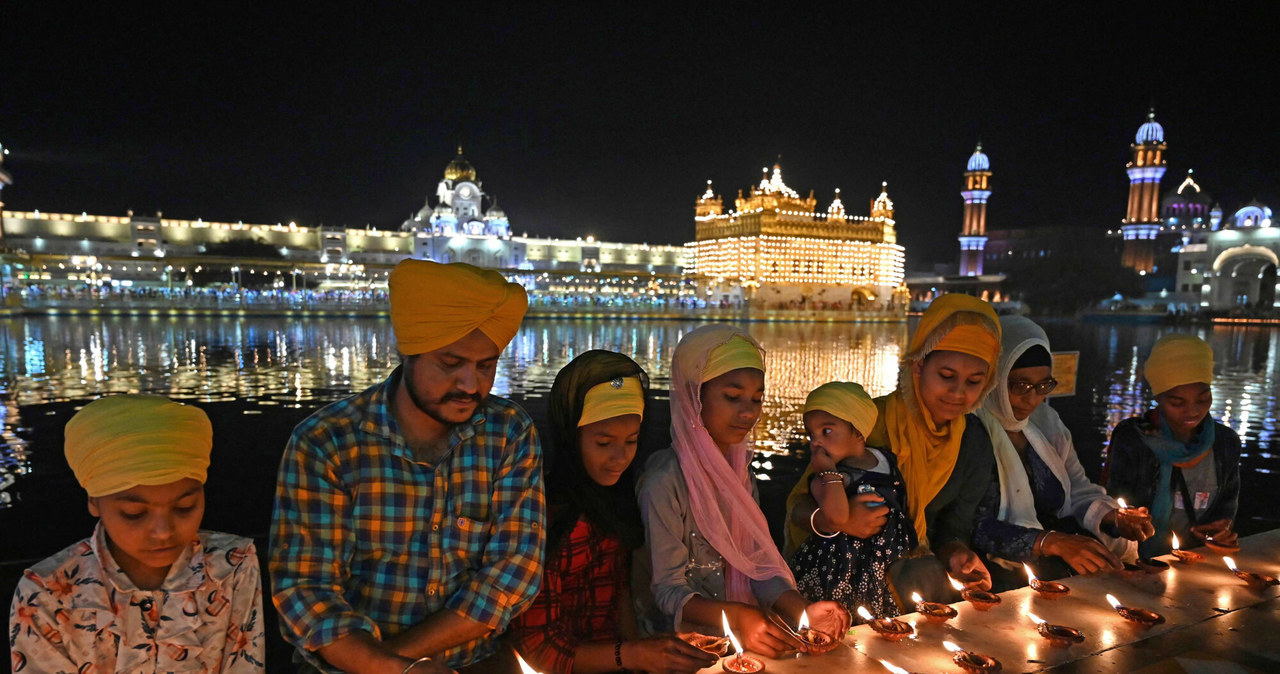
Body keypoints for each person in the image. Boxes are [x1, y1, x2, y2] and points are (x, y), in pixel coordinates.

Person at [270, 260, 544, 674]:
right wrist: (392, 669)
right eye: (451, 364)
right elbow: (308, 592)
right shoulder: (327, 441)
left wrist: (398, 663)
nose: (471, 385)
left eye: (486, 366)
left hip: (469, 661)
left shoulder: (508, 432)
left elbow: (512, 574)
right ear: (409, 351)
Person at [636, 325, 851, 657]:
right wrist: (739, 617)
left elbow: (755, 565)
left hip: (744, 637)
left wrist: (801, 610)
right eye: (733, 397)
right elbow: (668, 591)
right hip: (685, 649)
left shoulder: (739, 475)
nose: (749, 412)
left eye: (756, 398)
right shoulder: (664, 482)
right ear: (695, 395)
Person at [8, 395, 264, 673]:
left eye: (184, 507)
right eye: (134, 513)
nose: (164, 532)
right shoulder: (46, 593)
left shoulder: (232, 565)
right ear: (93, 501)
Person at [506, 350, 715, 674]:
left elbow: (619, 593)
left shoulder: (617, 498)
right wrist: (634, 655)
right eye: (603, 443)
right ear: (570, 436)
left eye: (631, 441)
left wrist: (643, 657)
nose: (620, 457)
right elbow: (538, 648)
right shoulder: (543, 516)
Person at [786, 293, 1000, 601]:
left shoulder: (972, 439)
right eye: (946, 376)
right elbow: (798, 506)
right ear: (918, 365)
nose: (958, 392)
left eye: (974, 381)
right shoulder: (866, 425)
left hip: (916, 576)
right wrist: (840, 520)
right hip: (844, 576)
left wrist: (956, 554)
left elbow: (955, 522)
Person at [971, 316, 1148, 590]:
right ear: (994, 377)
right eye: (1019, 385)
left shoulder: (1046, 423)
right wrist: (1050, 542)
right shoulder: (969, 430)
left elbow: (1077, 490)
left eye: (1043, 386)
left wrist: (1113, 517)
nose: (1032, 399)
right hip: (993, 573)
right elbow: (969, 524)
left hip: (1059, 563)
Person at [1105, 334, 1240, 558]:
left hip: (1197, 561)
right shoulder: (1133, 438)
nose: (1192, 411)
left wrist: (1220, 530)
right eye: (1177, 402)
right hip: (1139, 562)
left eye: (1203, 398)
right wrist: (1127, 522)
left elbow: (1226, 505)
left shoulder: (1226, 442)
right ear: (1158, 397)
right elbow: (1108, 508)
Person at [790, 381, 916, 618]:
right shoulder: (831, 477)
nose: (816, 442)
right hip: (840, 566)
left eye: (826, 431)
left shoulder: (887, 459)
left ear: (858, 431)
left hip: (880, 561)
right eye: (811, 434)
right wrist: (828, 473)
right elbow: (837, 518)